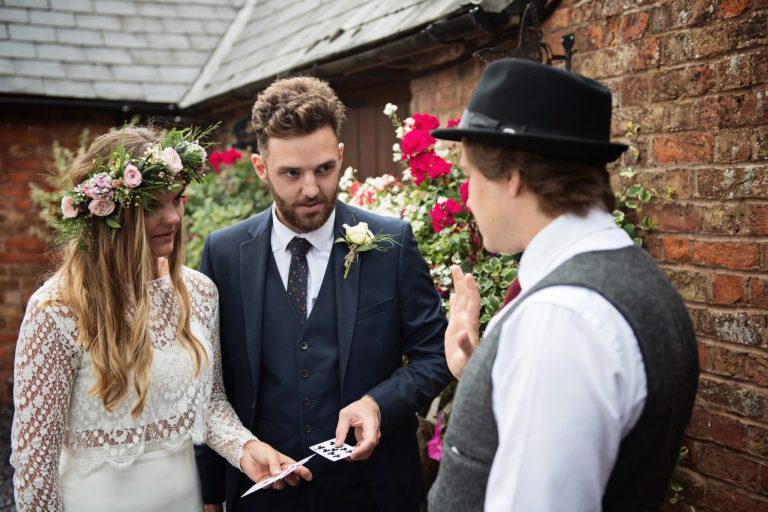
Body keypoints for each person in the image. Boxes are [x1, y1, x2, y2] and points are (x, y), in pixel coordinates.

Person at [427, 58, 699, 511]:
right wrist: (482, 370)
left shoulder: (560, 322)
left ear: (512, 177)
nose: (467, 196)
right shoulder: (631, 276)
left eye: (469, 176)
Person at [10, 126, 311, 512]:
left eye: (178, 199)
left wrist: (247, 450)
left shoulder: (199, 293)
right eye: (153, 205)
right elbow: (35, 465)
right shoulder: (57, 309)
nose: (173, 217)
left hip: (182, 499)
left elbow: (210, 403)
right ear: (110, 211)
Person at [195, 76, 452, 512]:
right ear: (261, 168)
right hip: (263, 497)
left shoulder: (392, 243)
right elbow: (209, 385)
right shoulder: (224, 253)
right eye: (291, 173)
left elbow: (436, 356)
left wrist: (377, 403)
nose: (311, 189)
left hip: (373, 492)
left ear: (340, 157)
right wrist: (210, 496)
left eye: (324, 170)